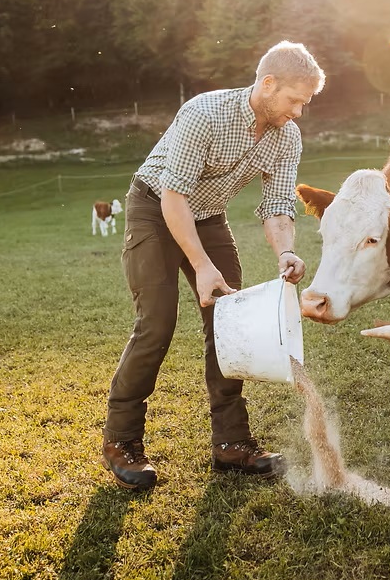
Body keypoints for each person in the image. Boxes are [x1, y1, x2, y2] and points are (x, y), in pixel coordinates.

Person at [102, 41, 324, 490]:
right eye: (294, 100)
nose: (299, 112)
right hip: (155, 208)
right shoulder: (206, 113)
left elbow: (278, 204)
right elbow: (174, 195)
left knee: (229, 326)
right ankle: (121, 442)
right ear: (267, 84)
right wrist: (202, 265)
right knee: (156, 325)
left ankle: (231, 444)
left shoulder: (286, 137)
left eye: (306, 103)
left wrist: (285, 251)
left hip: (209, 216)